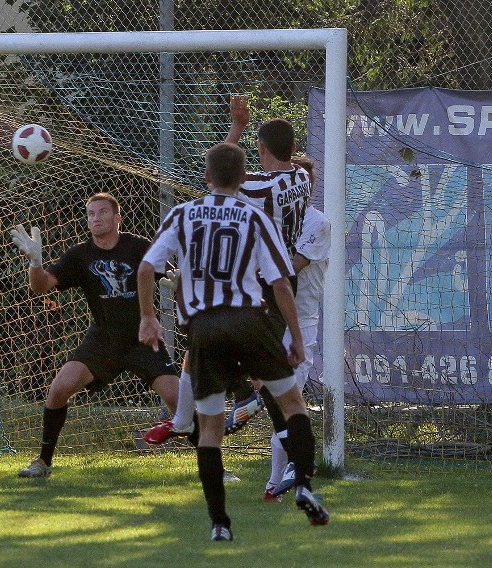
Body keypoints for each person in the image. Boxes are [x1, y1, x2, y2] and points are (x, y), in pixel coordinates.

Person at [138, 142, 330, 541]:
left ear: (206, 178)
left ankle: (220, 524)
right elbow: (279, 283)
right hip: (249, 321)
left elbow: (146, 267)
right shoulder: (254, 216)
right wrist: (294, 337)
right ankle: (305, 487)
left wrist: (148, 317)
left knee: (209, 429)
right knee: (293, 404)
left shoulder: (182, 214)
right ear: (244, 179)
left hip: (204, 328)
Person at [144, 94, 311, 445]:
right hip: (279, 276)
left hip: (266, 281)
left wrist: (236, 129)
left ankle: (247, 395)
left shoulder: (261, 187)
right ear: (293, 148)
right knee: (199, 347)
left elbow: (223, 171)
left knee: (237, 351)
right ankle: (181, 419)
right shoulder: (300, 178)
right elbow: (228, 170)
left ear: (262, 150)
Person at [10, 192, 182, 478]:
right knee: (58, 390)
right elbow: (41, 287)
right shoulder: (80, 255)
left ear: (117, 217)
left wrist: (179, 283)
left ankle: (216, 466)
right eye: (91, 214)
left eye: (102, 212)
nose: (96, 218)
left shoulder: (137, 246)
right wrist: (35, 262)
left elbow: (169, 273)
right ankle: (43, 462)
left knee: (179, 400)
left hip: (142, 338)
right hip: (103, 341)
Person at [265, 157, 331, 501]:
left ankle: (276, 482)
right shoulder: (269, 218)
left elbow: (289, 269)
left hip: (299, 324)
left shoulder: (317, 222)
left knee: (289, 400)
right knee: (277, 400)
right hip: (263, 318)